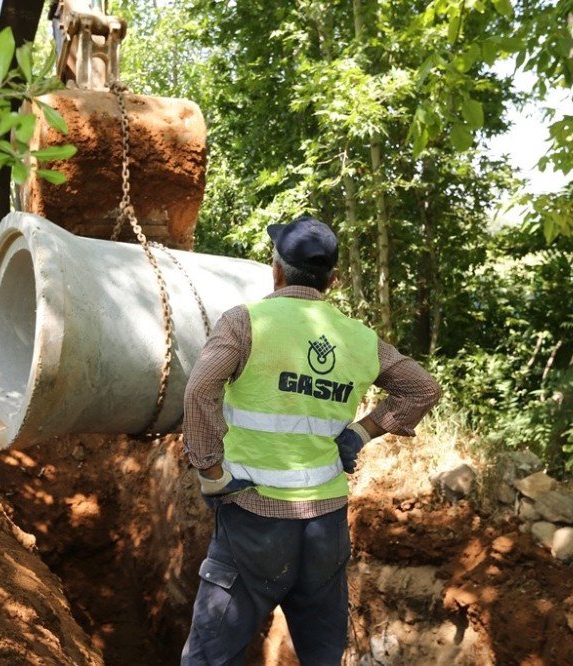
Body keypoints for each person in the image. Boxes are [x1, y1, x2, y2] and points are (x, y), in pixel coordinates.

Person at [180, 216, 441, 664]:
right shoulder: (359, 338)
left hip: (253, 522)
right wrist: (360, 433)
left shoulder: (246, 323)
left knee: (209, 658)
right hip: (326, 527)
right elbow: (423, 388)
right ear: (332, 280)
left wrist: (210, 472)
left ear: (275, 269)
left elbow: (200, 389)